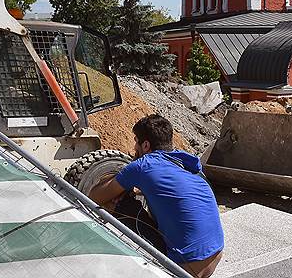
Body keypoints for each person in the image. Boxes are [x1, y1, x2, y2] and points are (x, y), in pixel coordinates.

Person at [90, 114, 224, 278]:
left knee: (120, 204)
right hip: (214, 255)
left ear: (145, 144)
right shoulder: (184, 160)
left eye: (136, 141)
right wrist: (137, 189)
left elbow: (94, 196)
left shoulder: (142, 165)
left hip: (184, 266)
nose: (134, 147)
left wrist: (121, 190)